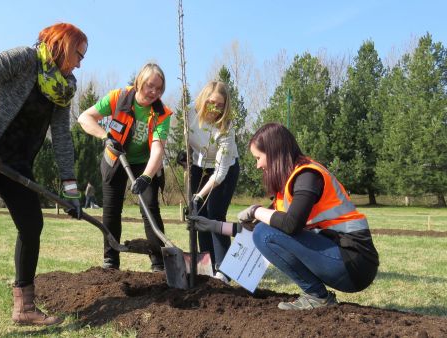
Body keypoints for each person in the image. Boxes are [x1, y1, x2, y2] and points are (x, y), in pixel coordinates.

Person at [0, 23, 87, 337]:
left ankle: (24, 307)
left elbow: (62, 138)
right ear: (63, 45)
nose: (80, 63)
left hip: (17, 163)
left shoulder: (64, 87)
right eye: (78, 54)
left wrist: (71, 190)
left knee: (31, 224)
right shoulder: (23, 59)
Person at [189, 122, 379, 310]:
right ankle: (317, 296)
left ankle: (317, 296)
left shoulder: (308, 176)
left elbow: (290, 225)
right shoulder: (287, 188)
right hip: (339, 258)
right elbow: (256, 231)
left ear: (273, 153)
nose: (257, 165)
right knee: (263, 231)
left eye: (258, 157)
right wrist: (211, 225)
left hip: (355, 261)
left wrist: (256, 210)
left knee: (265, 232)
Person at [78, 63, 173, 272]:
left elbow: (157, 149)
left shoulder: (161, 113)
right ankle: (111, 260)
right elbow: (84, 118)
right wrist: (106, 137)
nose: (154, 92)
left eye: (159, 89)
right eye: (150, 86)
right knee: (111, 210)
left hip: (145, 163)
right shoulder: (118, 97)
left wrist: (146, 177)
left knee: (149, 208)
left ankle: (159, 264)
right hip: (115, 158)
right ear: (139, 81)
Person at [185, 81, 239, 283]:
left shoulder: (226, 127)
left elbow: (220, 172)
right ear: (202, 99)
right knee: (199, 216)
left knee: (215, 215)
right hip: (199, 166)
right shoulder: (189, 112)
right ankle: (207, 264)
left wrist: (200, 194)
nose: (214, 109)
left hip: (224, 170)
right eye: (211, 103)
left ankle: (223, 270)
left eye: (220, 105)